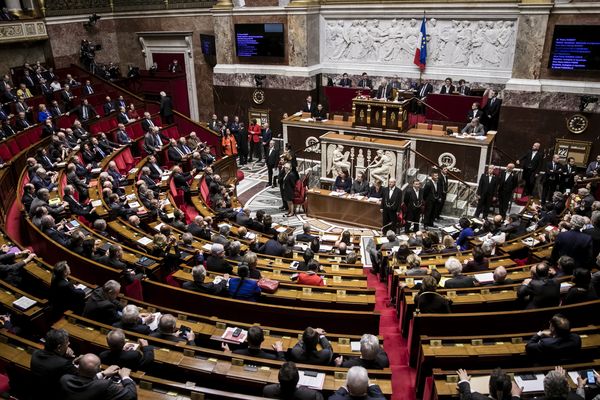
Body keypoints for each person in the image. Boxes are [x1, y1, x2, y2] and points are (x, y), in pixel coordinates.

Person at [59, 353, 137, 400]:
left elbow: (86, 384)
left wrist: (103, 374)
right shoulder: (104, 385)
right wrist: (125, 377)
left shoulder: (65, 379)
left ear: (78, 367)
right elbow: (131, 396)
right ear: (99, 368)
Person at [30, 328, 78, 400]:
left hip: (37, 393)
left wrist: (63, 354)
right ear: (59, 347)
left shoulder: (35, 353)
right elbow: (78, 377)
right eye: (67, 342)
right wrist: (71, 358)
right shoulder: (64, 364)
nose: (69, 343)